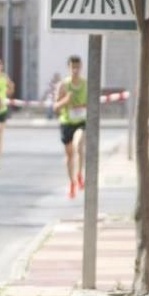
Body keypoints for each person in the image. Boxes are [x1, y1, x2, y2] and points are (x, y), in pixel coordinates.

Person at [52, 55, 87, 198]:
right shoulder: (63, 85)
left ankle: (79, 175)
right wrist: (66, 100)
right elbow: (55, 107)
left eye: (78, 67)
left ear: (81, 67)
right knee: (69, 155)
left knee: (78, 145)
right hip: (66, 122)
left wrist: (83, 106)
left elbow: (92, 103)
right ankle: (71, 182)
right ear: (68, 68)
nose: (75, 70)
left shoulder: (85, 84)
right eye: (73, 67)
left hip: (81, 121)